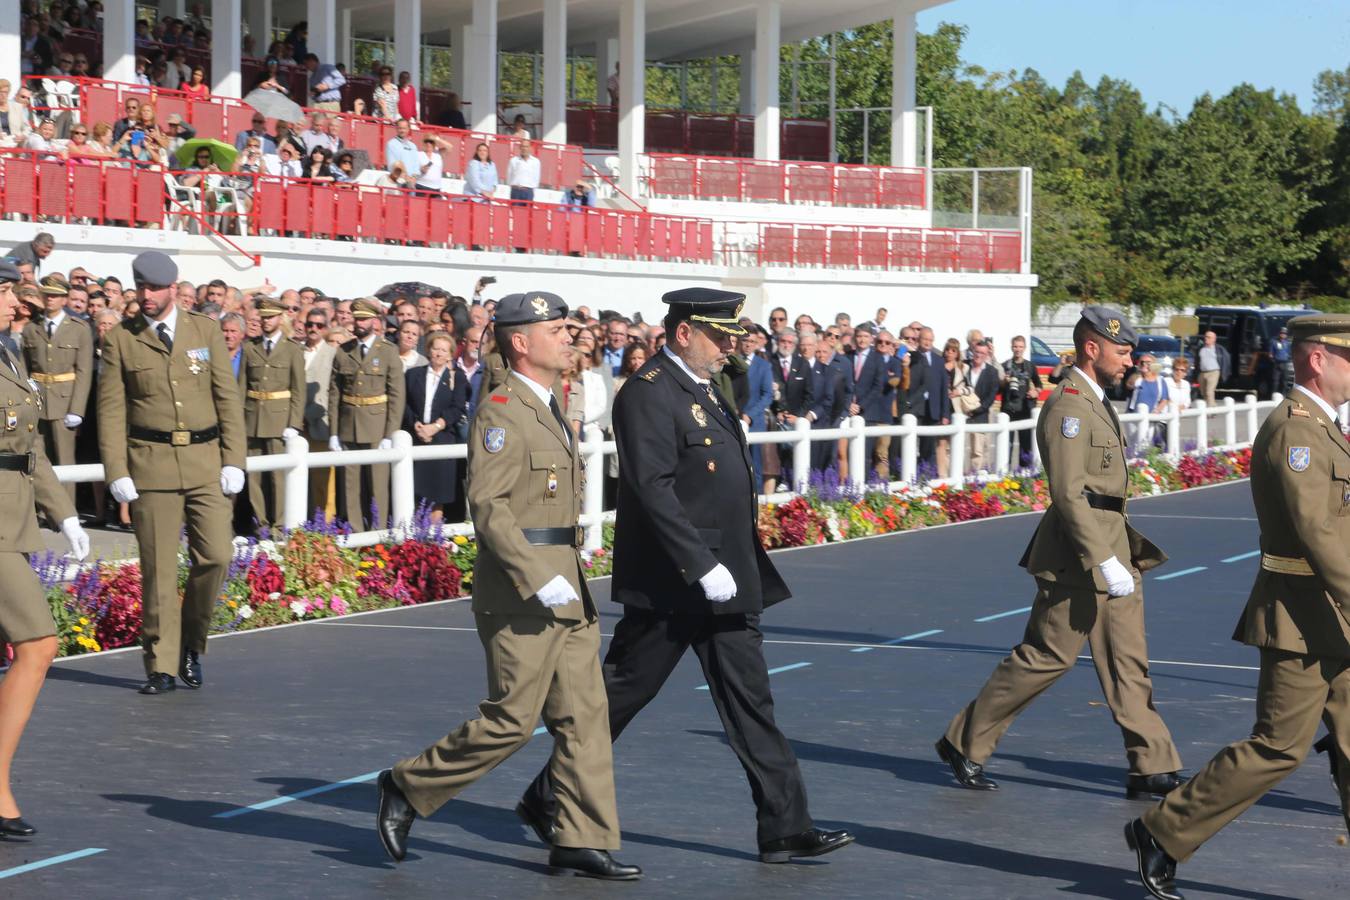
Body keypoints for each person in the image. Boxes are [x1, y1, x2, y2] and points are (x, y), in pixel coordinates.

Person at [517, 287, 854, 865]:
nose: (728, 347)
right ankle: (549, 796)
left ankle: (784, 825)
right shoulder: (648, 394)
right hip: (676, 579)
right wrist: (700, 565)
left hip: (724, 576)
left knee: (751, 701)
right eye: (719, 336)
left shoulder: (703, 386)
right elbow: (653, 489)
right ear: (682, 333)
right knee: (621, 695)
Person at [377, 291, 639, 881]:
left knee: (585, 715)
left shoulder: (547, 403)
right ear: (520, 342)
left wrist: (563, 575)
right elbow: (489, 506)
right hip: (524, 588)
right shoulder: (501, 409)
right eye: (555, 329)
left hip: (566, 583)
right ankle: (405, 784)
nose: (568, 337)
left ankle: (580, 837)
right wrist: (535, 575)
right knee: (513, 720)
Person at [1126, 314, 1350, 900]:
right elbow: (1317, 531)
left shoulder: (1326, 428)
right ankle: (1162, 830)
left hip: (1336, 616)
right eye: (1349, 356)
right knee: (1278, 746)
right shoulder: (1296, 432)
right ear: (1317, 359)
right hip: (1303, 617)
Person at [938, 306, 1182, 799]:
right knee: (1046, 656)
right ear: (1092, 349)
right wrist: (1103, 559)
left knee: (1127, 660)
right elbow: (1069, 493)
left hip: (1112, 543)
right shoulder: (1069, 405)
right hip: (1079, 553)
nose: (1129, 359)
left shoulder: (1093, 399)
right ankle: (964, 742)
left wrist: (1118, 555)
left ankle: (1151, 763)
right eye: (1121, 350)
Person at [99, 251, 246, 695]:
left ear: (173, 287)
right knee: (159, 569)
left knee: (217, 555)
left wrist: (234, 459)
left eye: (154, 288)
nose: (146, 295)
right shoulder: (122, 339)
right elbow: (110, 410)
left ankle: (190, 644)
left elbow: (227, 397)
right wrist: (116, 470)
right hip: (151, 464)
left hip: (204, 461)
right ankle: (161, 665)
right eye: (140, 287)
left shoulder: (204, 331)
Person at [0, 260, 90, 840]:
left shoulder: (8, 353)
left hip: (11, 517)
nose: (19, 306)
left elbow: (28, 448)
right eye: (9, 294)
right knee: (38, 642)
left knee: (33, 645)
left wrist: (64, 513)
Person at [328, 298, 405, 530]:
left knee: (377, 485)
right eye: (357, 319)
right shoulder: (344, 351)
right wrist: (334, 432)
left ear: (374, 321)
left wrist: (389, 433)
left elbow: (396, 395)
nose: (360, 323)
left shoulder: (388, 352)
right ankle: (354, 533)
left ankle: (378, 534)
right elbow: (334, 394)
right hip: (348, 426)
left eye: (364, 319)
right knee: (350, 486)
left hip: (376, 426)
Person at [22, 274, 93, 502]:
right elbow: (25, 371)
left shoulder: (79, 329)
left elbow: (83, 372)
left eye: (56, 296)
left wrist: (77, 409)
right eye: (47, 295)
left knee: (65, 460)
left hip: (65, 401)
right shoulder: (31, 329)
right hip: (39, 401)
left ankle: (67, 507)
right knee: (41, 459)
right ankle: (44, 508)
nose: (50, 299)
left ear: (64, 300)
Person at [240, 297, 305, 532]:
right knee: (255, 476)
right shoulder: (250, 347)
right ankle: (261, 524)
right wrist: (238, 419)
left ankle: (279, 524)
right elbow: (242, 387)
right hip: (252, 418)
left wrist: (294, 423)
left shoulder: (291, 349)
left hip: (279, 419)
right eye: (263, 317)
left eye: (271, 316)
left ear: (281, 318)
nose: (266, 321)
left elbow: (299, 389)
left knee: (278, 476)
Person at [401, 333, 467, 520]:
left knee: (438, 495)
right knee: (414, 492)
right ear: (428, 350)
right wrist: (417, 425)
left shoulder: (458, 378)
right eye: (435, 348)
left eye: (443, 350)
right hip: (416, 438)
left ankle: (433, 544)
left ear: (450, 355)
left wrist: (436, 426)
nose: (438, 353)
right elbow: (405, 404)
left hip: (442, 440)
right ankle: (413, 544)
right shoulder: (413, 374)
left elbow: (458, 408)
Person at [301, 308, 337, 518]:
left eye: (319, 325)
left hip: (318, 424)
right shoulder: (296, 350)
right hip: (295, 427)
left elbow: (328, 392)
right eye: (310, 324)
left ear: (326, 328)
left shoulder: (332, 354)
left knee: (322, 482)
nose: (313, 329)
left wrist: (305, 416)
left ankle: (325, 527)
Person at [906, 327, 948, 467]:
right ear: (918, 340)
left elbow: (943, 388)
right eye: (925, 339)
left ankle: (925, 474)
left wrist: (945, 413)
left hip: (933, 408)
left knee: (928, 446)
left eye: (930, 340)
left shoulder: (938, 360)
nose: (927, 342)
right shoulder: (911, 357)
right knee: (910, 444)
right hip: (915, 407)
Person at [1001, 335, 1043, 470]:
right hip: (1008, 409)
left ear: (1024, 348)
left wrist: (1036, 392)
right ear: (1011, 347)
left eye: (1020, 347)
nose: (1017, 349)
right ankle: (1004, 474)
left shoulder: (1030, 366)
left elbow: (1039, 385)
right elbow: (997, 389)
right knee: (1007, 445)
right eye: (1015, 346)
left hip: (1025, 409)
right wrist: (1003, 381)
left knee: (1026, 445)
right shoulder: (1005, 366)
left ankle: (1025, 475)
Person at [1192, 330, 1230, 405]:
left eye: (1209, 337)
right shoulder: (1200, 349)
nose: (1206, 338)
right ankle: (1212, 407)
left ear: (1214, 339)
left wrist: (1224, 372)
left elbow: (1226, 360)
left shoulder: (1219, 349)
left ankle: (1211, 411)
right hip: (1202, 373)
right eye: (1205, 337)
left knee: (1209, 391)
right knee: (1203, 393)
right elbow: (1197, 361)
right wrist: (1196, 373)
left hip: (1214, 372)